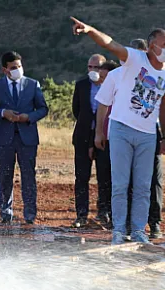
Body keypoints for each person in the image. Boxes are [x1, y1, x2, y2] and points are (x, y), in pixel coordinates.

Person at [71, 17, 165, 245]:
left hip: (148, 135)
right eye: (164, 45)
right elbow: (110, 44)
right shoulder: (134, 59)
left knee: (142, 186)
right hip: (121, 130)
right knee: (119, 184)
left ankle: (138, 231)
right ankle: (118, 230)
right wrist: (90, 30)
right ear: (151, 47)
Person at [0, 51, 49, 225]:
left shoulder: (32, 84)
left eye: (19, 66)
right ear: (5, 69)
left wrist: (29, 117)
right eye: (13, 67)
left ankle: (30, 214)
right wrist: (3, 113)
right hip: (4, 139)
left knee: (28, 176)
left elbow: (43, 109)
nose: (17, 70)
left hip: (27, 137)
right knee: (5, 176)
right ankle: (6, 212)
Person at [130, 38, 165, 239]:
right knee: (127, 180)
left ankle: (154, 223)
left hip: (151, 132)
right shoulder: (123, 76)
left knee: (153, 181)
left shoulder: (160, 76)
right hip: (126, 133)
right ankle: (129, 223)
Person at [71, 54, 106, 227]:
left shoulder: (110, 85)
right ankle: (81, 215)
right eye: (90, 67)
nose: (93, 70)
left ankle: (103, 213)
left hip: (105, 138)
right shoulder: (81, 85)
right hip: (83, 136)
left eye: (97, 67)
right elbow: (76, 110)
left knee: (104, 177)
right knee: (81, 177)